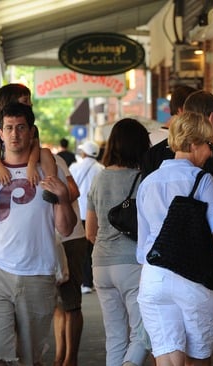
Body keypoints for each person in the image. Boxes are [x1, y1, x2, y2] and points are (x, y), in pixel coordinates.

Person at [0, 102, 77, 366]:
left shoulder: (47, 170)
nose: (15, 134)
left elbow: (66, 228)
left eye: (21, 128)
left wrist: (62, 199)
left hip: (38, 273)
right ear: (0, 134)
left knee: (30, 358)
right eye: (9, 128)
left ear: (31, 132)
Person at [136, 111, 213, 366]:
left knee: (168, 360)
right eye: (208, 144)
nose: (211, 152)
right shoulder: (203, 180)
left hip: (154, 279)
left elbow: (142, 247)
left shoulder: (148, 183)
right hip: (195, 281)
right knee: (197, 361)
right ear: (193, 144)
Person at [141, 90, 213, 298]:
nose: (210, 148)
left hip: (156, 267)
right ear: (212, 118)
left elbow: (143, 224)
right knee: (205, 330)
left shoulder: (152, 156)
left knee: (163, 331)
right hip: (203, 268)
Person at [86, 118, 151, 366]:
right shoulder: (144, 180)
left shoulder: (98, 179)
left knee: (115, 336)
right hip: (132, 264)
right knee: (143, 331)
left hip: (101, 264)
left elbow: (90, 231)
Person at [0, 83, 59, 210]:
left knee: (46, 152)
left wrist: (31, 166)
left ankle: (51, 186)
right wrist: (0, 168)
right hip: (4, 161)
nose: (30, 104)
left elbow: (36, 148)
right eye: (26, 100)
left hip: (26, 159)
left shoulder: (31, 126)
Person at [52, 154, 87, 366]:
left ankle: (70, 359)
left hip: (70, 239)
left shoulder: (54, 161)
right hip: (52, 241)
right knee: (59, 305)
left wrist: (54, 197)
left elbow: (74, 190)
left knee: (71, 304)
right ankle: (59, 357)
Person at [70, 140, 104, 294]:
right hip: (96, 214)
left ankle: (83, 282)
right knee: (93, 249)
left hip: (79, 213)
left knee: (80, 249)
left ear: (84, 153)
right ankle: (92, 281)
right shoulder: (102, 169)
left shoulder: (75, 167)